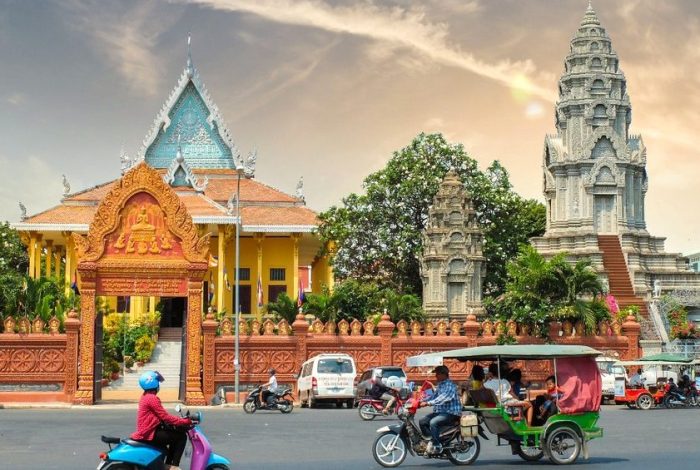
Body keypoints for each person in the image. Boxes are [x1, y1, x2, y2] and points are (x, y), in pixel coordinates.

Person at [131, 371, 191, 470]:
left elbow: (159, 416)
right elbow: (165, 417)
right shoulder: (152, 398)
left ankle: (168, 465)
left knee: (173, 435)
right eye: (158, 383)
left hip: (148, 430)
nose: (159, 385)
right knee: (181, 437)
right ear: (154, 384)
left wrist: (176, 421)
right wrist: (185, 421)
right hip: (149, 433)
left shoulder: (145, 396)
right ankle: (173, 466)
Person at [419, 365, 462, 455]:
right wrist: (420, 402)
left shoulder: (450, 385)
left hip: (451, 413)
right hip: (440, 412)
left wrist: (428, 403)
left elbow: (444, 398)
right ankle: (432, 440)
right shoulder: (440, 385)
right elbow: (434, 397)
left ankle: (437, 445)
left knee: (433, 422)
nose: (436, 376)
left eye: (437, 374)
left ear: (444, 374)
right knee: (422, 421)